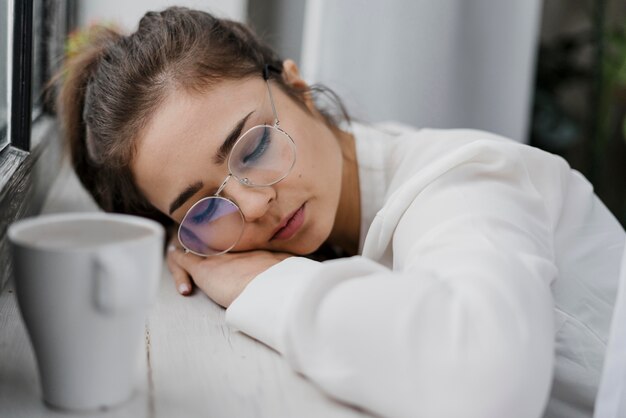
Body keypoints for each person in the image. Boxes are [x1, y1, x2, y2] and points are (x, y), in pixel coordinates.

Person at [57, 7, 625, 418]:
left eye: (254, 147)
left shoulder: (465, 175)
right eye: (206, 209)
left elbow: (485, 386)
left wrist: (260, 278)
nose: (253, 204)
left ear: (299, 88)